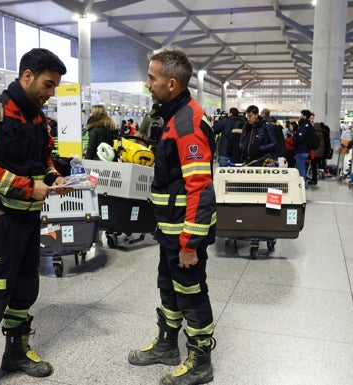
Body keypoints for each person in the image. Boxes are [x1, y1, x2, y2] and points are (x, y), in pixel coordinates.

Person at [0, 48, 68, 385]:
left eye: (54, 88)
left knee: (25, 288)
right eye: (48, 85)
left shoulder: (39, 119)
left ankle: (16, 352)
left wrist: (54, 177)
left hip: (28, 217)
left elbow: (43, 160)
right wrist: (26, 187)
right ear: (27, 76)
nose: (50, 93)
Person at [128, 46, 217, 385]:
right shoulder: (171, 116)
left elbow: (200, 188)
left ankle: (200, 362)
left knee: (191, 292)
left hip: (184, 234)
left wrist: (190, 243)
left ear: (172, 83)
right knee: (168, 287)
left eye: (152, 77)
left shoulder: (188, 123)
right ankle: (167, 346)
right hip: (170, 229)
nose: (147, 83)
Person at [292, 109, 313, 180]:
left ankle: (302, 185)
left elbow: (300, 138)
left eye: (301, 115)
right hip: (306, 150)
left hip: (301, 150)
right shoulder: (308, 125)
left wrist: (294, 137)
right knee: (301, 168)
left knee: (300, 169)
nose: (300, 116)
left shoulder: (304, 126)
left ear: (304, 116)